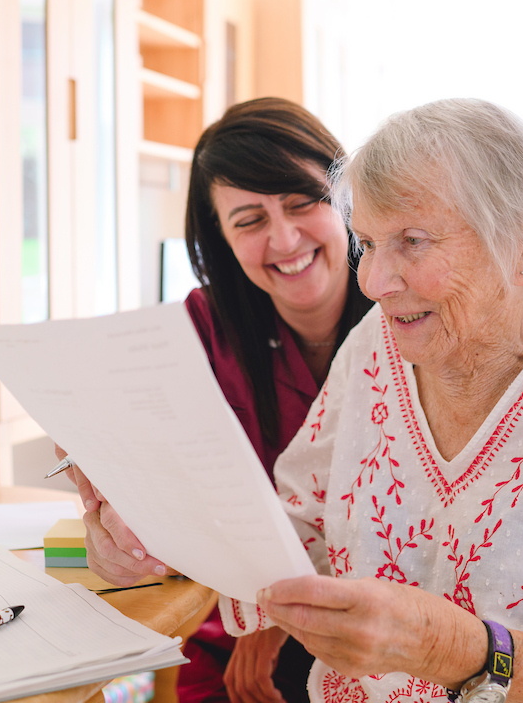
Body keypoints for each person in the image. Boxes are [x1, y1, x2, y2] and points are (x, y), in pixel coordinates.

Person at [85, 98, 523, 703]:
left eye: (413, 241)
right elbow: (294, 531)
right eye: (367, 243)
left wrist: (449, 647)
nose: (371, 280)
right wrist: (156, 535)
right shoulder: (375, 347)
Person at [60, 97, 372, 703]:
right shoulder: (200, 331)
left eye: (302, 201)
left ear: (345, 197)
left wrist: (284, 614)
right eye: (249, 220)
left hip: (380, 634)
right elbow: (157, 489)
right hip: (233, 645)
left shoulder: (404, 312)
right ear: (222, 239)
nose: (285, 238)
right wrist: (112, 517)